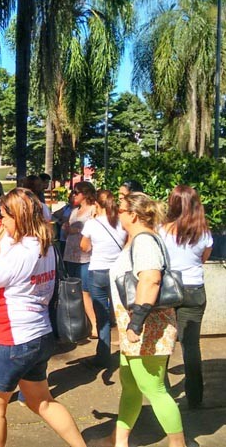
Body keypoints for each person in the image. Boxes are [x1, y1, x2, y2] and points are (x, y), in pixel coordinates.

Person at [0, 188, 86, 447]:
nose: (3, 222)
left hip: (10, 338)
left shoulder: (20, 253)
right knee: (42, 401)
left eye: (6, 217)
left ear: (19, 217)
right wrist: (4, 238)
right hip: (39, 335)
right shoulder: (45, 245)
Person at [104, 192, 187, 447]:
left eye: (121, 209)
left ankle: (178, 444)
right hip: (136, 328)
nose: (118, 213)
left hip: (147, 328)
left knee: (155, 390)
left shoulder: (145, 241)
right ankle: (119, 441)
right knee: (131, 387)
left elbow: (151, 279)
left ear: (133, 214)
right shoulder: (138, 239)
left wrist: (136, 322)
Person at [160, 185, 213, 410]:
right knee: (191, 346)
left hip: (168, 290)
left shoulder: (161, 230)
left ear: (172, 203)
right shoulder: (204, 232)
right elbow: (203, 258)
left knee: (163, 343)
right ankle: (195, 397)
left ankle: (163, 394)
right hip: (194, 290)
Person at [80, 190, 127, 369]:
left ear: (97, 205)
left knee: (102, 316)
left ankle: (103, 355)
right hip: (118, 272)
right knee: (122, 312)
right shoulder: (121, 222)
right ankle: (129, 352)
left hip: (98, 271)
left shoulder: (92, 224)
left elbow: (84, 247)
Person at [62, 181, 97, 338]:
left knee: (86, 291)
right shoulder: (74, 211)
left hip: (85, 256)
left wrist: (74, 229)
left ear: (85, 194)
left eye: (76, 192)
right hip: (71, 254)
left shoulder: (93, 210)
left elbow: (93, 229)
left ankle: (95, 324)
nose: (73, 195)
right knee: (75, 291)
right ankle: (83, 324)